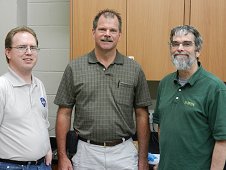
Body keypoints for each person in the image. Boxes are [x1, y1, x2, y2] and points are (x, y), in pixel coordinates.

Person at [54, 9, 151, 170]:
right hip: (86, 153)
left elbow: (142, 114)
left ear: (120, 35)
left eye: (113, 30)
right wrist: (63, 157)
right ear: (93, 32)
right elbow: (64, 113)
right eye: (102, 29)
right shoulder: (74, 68)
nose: (107, 34)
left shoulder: (134, 69)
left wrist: (142, 160)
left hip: (124, 153)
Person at [153, 25, 226, 170]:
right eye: (175, 44)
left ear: (198, 51)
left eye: (187, 44)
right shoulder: (165, 83)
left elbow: (222, 141)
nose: (180, 48)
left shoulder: (215, 88)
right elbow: (161, 126)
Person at [0, 26, 52, 170]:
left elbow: (43, 123)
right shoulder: (2, 87)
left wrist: (47, 149)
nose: (29, 52)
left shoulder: (39, 85)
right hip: (12, 166)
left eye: (33, 48)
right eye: (22, 47)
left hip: (42, 165)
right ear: (8, 52)